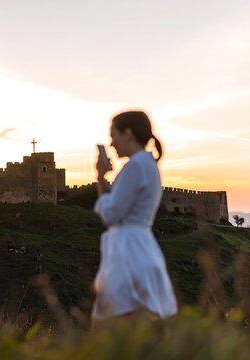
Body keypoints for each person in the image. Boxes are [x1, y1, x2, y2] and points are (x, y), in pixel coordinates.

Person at [92, 110, 177, 323]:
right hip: (141, 245)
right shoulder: (148, 165)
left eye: (114, 135)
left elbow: (111, 214)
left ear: (128, 134)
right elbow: (120, 205)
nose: (111, 143)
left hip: (128, 250)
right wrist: (103, 178)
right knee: (139, 323)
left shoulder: (135, 166)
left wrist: (100, 178)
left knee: (111, 323)